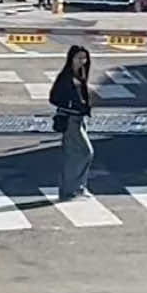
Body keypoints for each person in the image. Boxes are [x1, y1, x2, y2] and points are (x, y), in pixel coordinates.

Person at [49, 45, 93, 201]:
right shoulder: (66, 76)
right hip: (70, 119)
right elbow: (54, 97)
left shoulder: (80, 74)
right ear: (71, 58)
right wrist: (71, 104)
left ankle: (75, 188)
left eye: (84, 58)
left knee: (76, 154)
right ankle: (71, 189)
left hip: (79, 119)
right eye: (79, 58)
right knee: (84, 152)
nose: (82, 61)